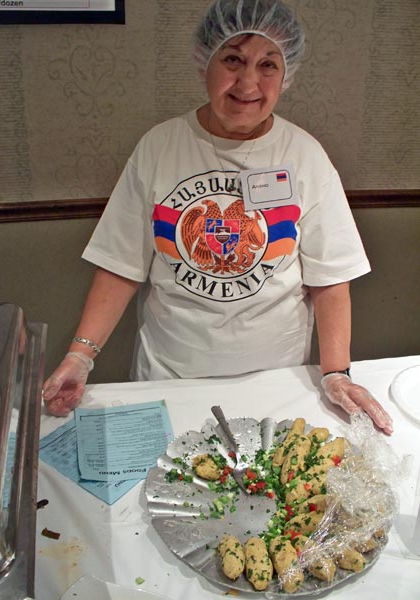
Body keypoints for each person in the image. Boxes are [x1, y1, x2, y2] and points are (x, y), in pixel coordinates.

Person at [42, 0, 393, 435]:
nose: (248, 82)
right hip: (170, 379)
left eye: (268, 64)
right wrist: (81, 355)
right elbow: (121, 264)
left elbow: (330, 277)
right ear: (205, 63)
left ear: (286, 76)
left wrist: (335, 371)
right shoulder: (160, 147)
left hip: (278, 383)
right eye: (233, 60)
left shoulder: (304, 155)